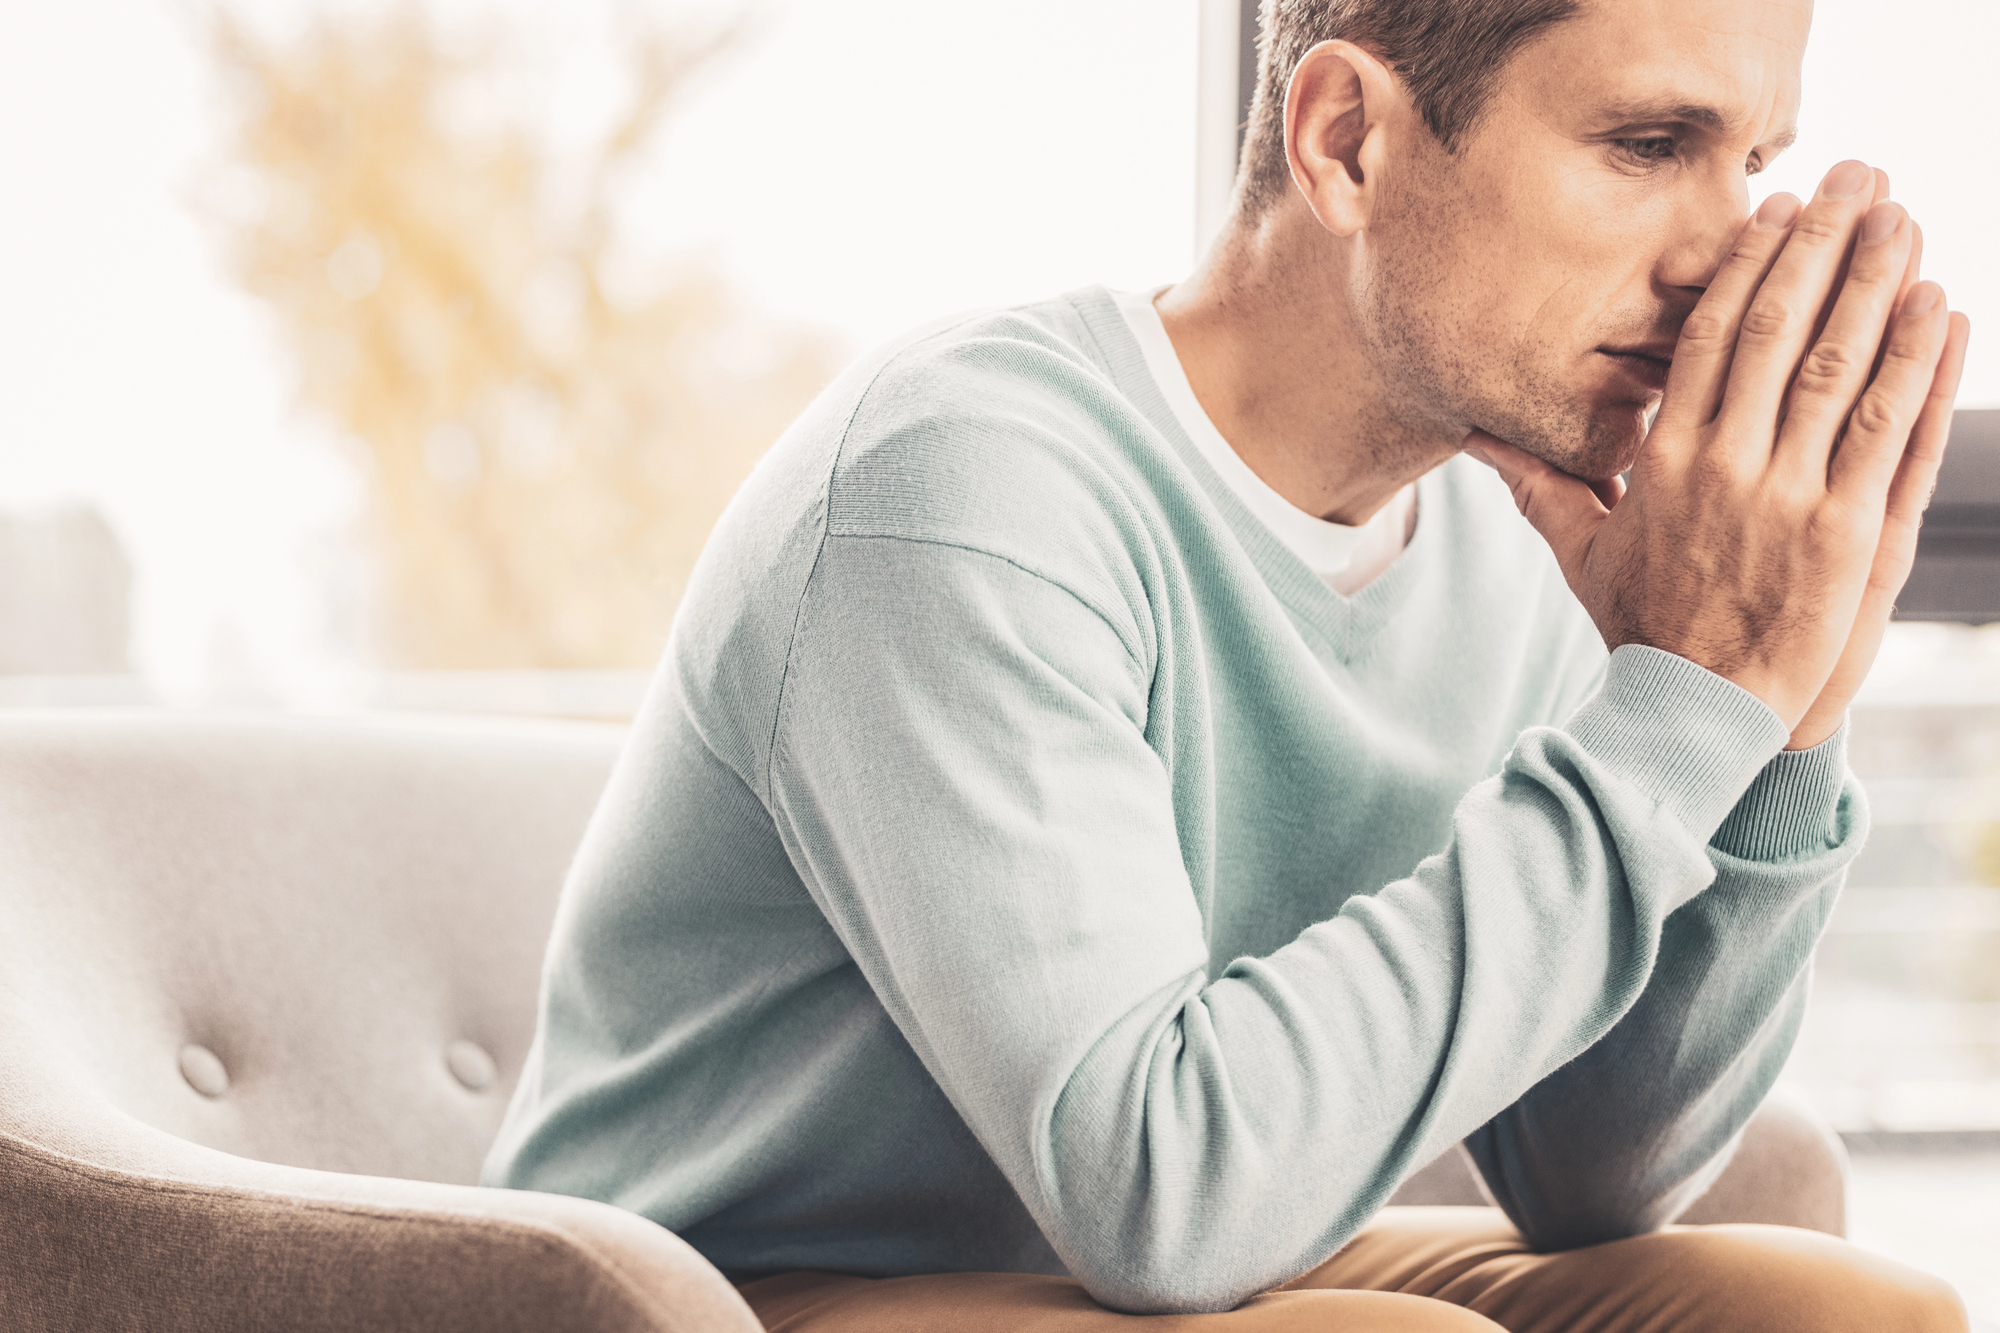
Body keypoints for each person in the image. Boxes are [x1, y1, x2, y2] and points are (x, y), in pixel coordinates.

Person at [485, 0, 1975, 1327]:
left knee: (1855, 1309)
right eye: (1649, 142)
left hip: (1180, 1260)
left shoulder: (1515, 530)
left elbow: (1596, 1174)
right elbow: (1158, 1193)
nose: (1732, 256)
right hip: (727, 1292)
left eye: (1755, 165)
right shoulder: (965, 485)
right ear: (1347, 142)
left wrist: (1774, 720)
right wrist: (1669, 714)